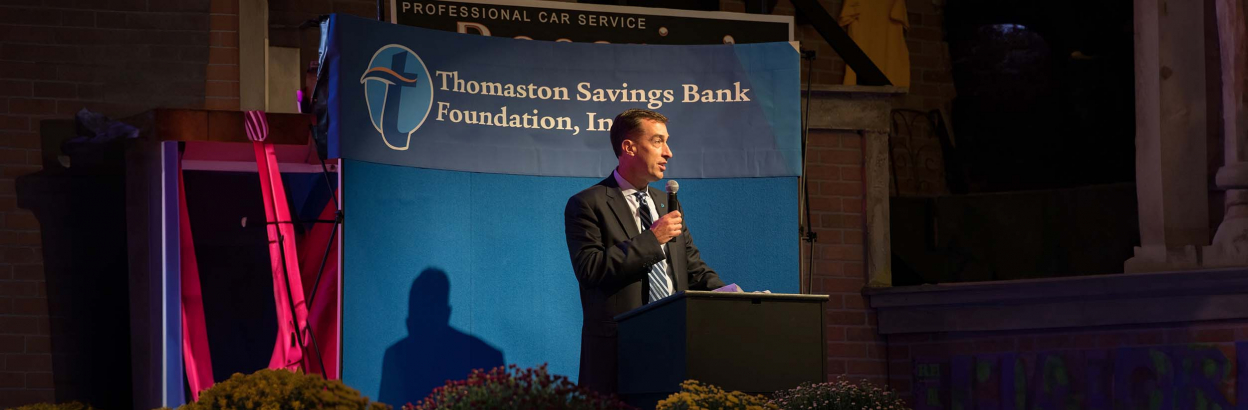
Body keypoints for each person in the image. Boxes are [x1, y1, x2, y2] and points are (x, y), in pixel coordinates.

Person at [563, 108, 726, 395]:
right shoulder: (588, 204)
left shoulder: (666, 202)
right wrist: (652, 239)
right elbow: (590, 269)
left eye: (667, 141)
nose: (669, 152)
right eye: (658, 141)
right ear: (629, 147)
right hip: (619, 351)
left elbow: (692, 268)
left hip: (675, 345)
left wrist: (734, 298)